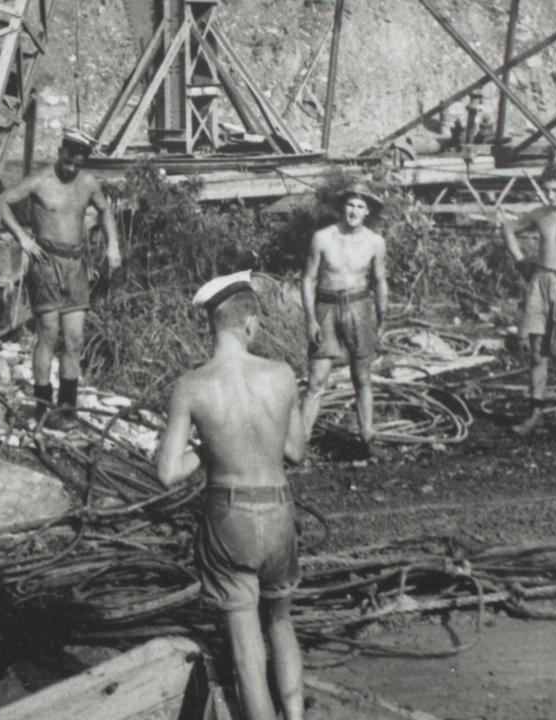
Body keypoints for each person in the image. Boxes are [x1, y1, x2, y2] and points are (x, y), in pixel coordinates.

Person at [156, 271, 307, 720]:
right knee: (280, 621)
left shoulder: (192, 386)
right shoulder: (281, 375)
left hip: (230, 517)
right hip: (278, 510)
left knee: (245, 649)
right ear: (249, 324)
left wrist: (208, 449)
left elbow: (167, 473)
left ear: (212, 326)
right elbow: (296, 450)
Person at [0, 128, 121, 429]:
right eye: (67, 160)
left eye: (77, 163)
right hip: (45, 262)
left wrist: (113, 244)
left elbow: (105, 211)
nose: (71, 168)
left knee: (74, 339)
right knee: (49, 333)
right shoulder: (40, 180)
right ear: (60, 151)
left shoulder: (88, 183)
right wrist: (23, 238)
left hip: (75, 263)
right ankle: (41, 408)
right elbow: (0, 202)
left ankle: (66, 410)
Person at [301, 181, 388, 458]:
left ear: (367, 212)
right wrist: (310, 318)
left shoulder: (375, 242)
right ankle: (299, 445)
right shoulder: (323, 237)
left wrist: (383, 316)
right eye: (350, 205)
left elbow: (379, 279)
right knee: (316, 380)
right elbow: (308, 278)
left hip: (359, 308)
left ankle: (367, 438)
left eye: (360, 206)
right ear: (343, 207)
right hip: (326, 308)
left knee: (362, 377)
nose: (354, 211)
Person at [500, 165, 556, 435]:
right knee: (537, 351)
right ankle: (535, 413)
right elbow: (509, 228)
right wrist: (521, 261)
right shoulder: (542, 215)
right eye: (547, 191)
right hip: (540, 281)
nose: (552, 196)